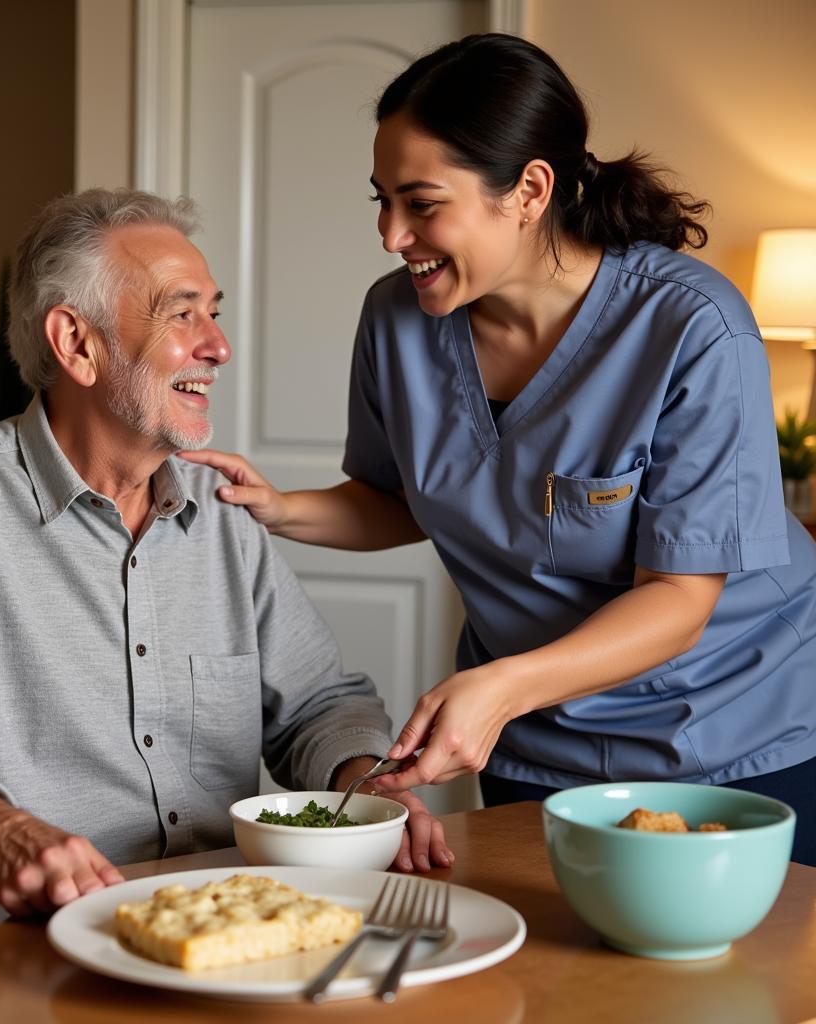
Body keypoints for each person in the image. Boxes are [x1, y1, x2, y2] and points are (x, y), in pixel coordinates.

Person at [180, 34, 816, 865]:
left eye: (421, 202)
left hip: (729, 740)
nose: (390, 234)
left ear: (529, 189)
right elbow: (403, 500)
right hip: (532, 751)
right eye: (380, 200)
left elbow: (680, 597)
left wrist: (499, 688)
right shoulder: (396, 320)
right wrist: (280, 507)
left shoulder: (693, 328)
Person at [0, 188, 451, 915]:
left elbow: (319, 706)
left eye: (215, 311)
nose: (219, 346)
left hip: (209, 929)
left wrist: (368, 789)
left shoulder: (224, 515)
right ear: (76, 343)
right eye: (181, 313)